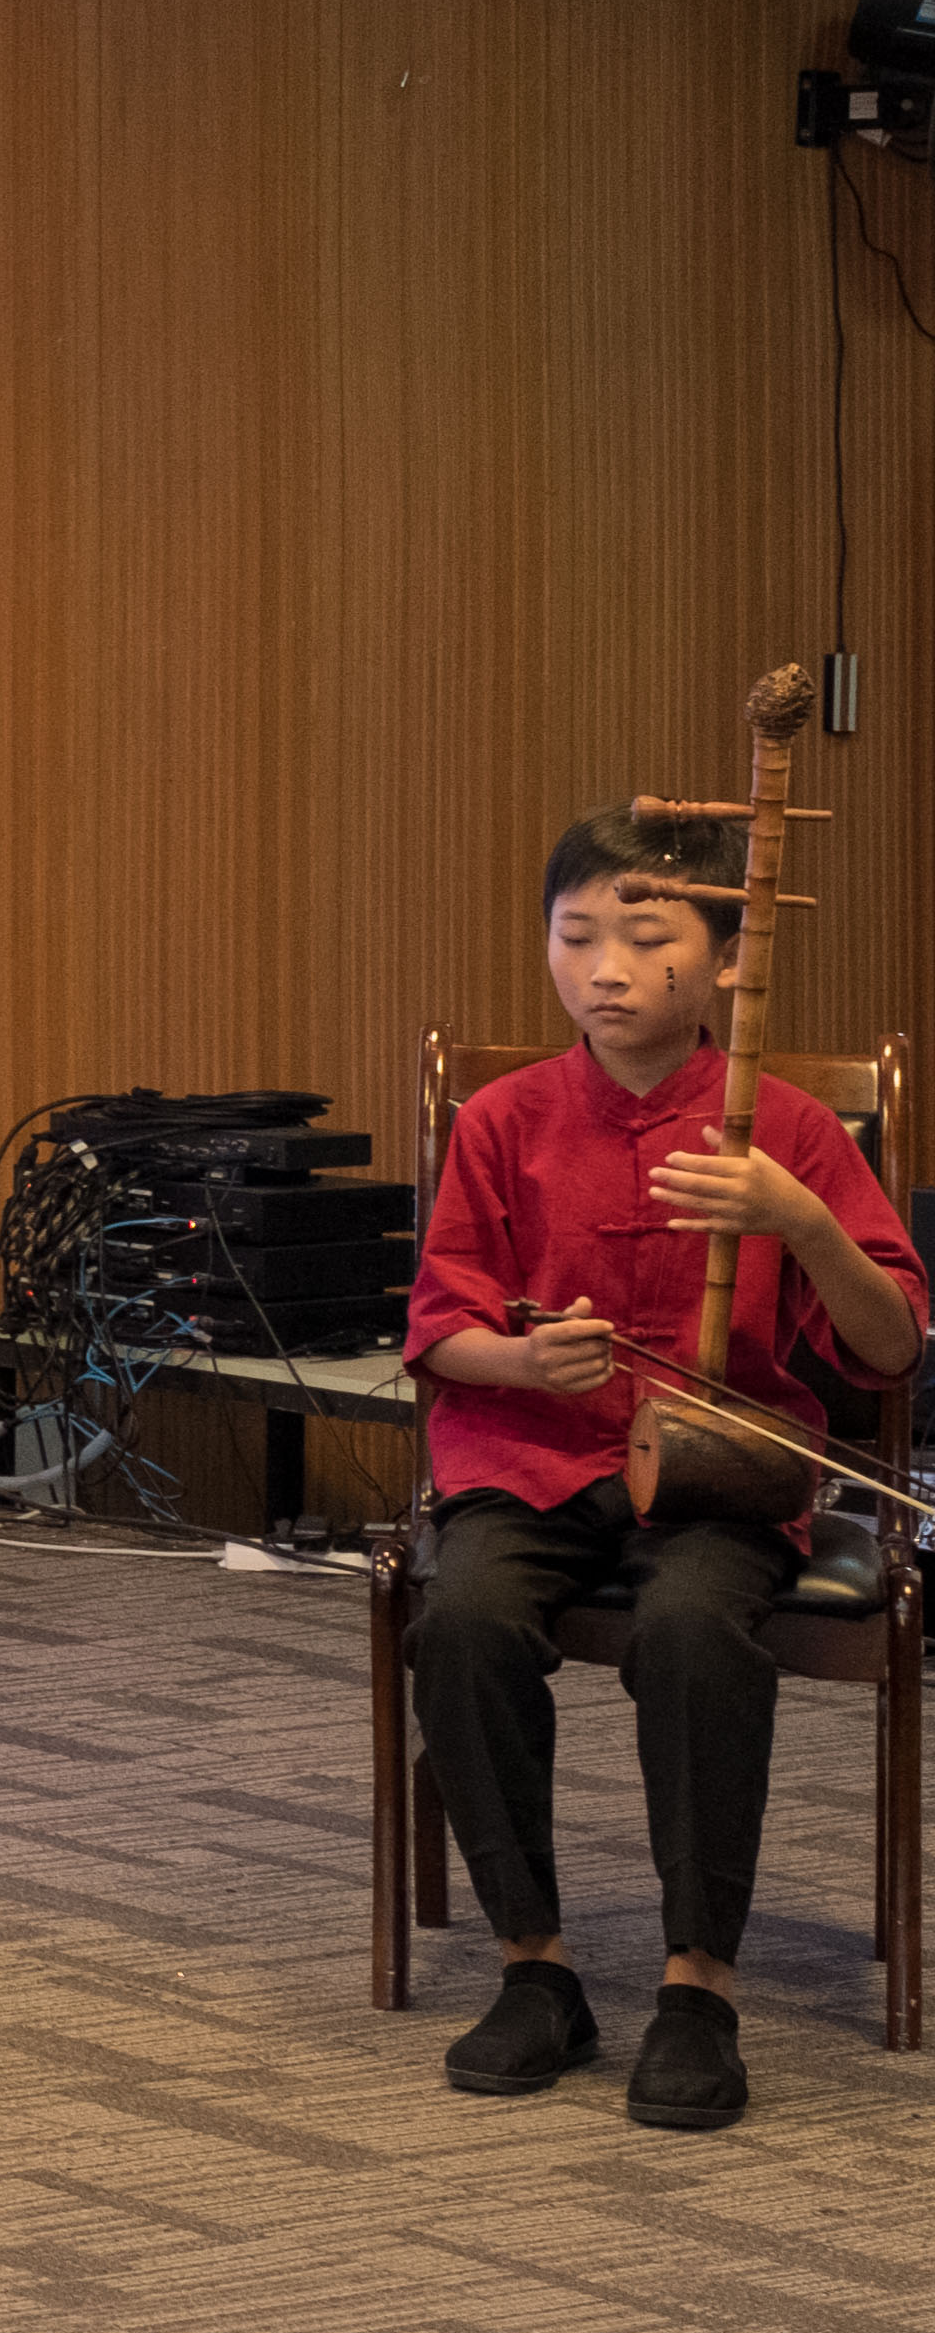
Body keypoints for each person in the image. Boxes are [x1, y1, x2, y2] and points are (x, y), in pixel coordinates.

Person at [404, 808, 924, 2132]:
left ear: (731, 960)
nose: (606, 971)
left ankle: (699, 1986)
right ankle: (535, 1967)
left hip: (719, 1471)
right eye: (576, 937)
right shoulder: (504, 1119)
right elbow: (444, 1327)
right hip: (530, 1455)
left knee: (692, 1631)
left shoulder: (787, 1128)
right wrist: (525, 1364)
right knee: (463, 1619)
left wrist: (801, 1220)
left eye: (646, 940)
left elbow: (889, 1351)